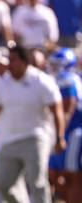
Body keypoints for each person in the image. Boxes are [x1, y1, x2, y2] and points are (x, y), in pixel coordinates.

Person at [0, 44, 66, 203]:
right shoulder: (2, 83)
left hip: (36, 137)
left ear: (24, 61)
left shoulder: (41, 81)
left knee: (38, 183)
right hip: (8, 139)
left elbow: (57, 109)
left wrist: (60, 136)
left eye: (13, 60)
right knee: (3, 185)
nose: (9, 64)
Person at [47, 48, 82, 203]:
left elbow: (69, 106)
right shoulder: (70, 78)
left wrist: (59, 133)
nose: (53, 67)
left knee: (72, 175)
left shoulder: (67, 79)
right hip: (66, 131)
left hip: (73, 131)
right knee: (55, 174)